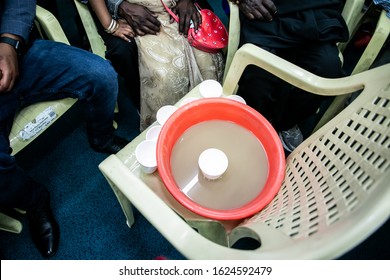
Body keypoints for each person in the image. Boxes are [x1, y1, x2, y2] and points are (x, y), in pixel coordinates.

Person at [0, 0, 129, 257]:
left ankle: (101, 138)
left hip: (18, 53)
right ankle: (35, 201)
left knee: (101, 74)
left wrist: (9, 42)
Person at [89, 0, 225, 131]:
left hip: (172, 6)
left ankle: (209, 112)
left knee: (206, 56)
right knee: (164, 75)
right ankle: (169, 125)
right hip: (140, 10)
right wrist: (113, 22)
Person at [233, 0, 349, 152]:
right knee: (258, 71)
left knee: (328, 69)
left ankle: (287, 123)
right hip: (267, 12)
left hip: (315, 13)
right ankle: (258, 120)